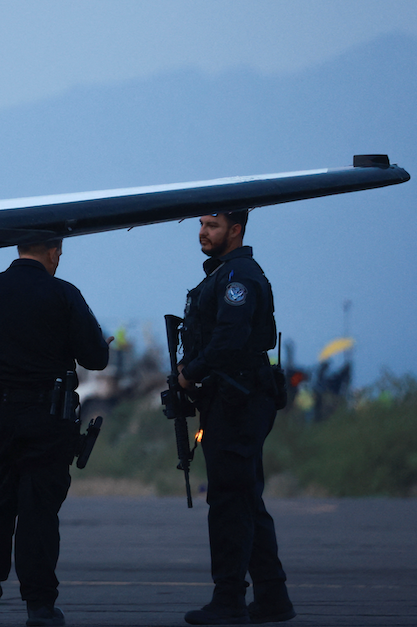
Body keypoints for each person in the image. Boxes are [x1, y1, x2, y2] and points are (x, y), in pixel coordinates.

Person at [0, 238, 112, 627]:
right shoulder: (64, 294)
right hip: (47, 419)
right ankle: (40, 608)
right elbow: (95, 357)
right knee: (39, 514)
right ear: (54, 252)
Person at [176, 211, 295, 625]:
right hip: (232, 399)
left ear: (236, 230)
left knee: (229, 499)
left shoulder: (238, 277)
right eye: (201, 225)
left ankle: (228, 601)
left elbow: (229, 339)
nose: (202, 232)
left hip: (238, 401)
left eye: (212, 225)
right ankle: (273, 598)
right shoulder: (224, 274)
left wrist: (189, 374)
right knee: (244, 497)